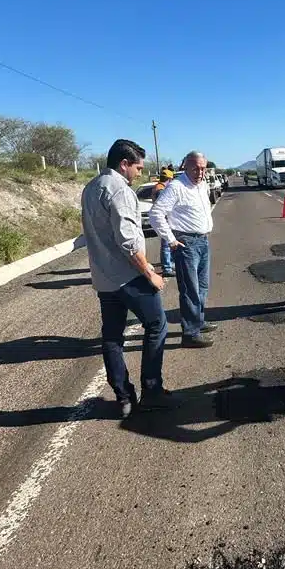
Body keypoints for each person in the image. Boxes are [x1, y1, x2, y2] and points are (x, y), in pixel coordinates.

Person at [81, 139, 175, 415]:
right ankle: (152, 389)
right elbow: (128, 242)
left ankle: (124, 398)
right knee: (157, 325)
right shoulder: (119, 191)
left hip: (103, 278)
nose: (139, 173)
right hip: (128, 276)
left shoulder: (91, 187)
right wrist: (150, 273)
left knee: (112, 338)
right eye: (138, 167)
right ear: (124, 164)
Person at [149, 150, 217, 348]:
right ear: (185, 167)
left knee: (202, 287)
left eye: (203, 168)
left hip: (203, 241)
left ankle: (199, 321)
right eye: (195, 168)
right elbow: (156, 214)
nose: (200, 172)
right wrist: (170, 239)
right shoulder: (177, 187)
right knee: (190, 290)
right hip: (186, 243)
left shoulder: (201, 185)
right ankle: (190, 333)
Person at [153, 168, 176, 277]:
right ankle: (167, 267)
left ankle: (169, 264)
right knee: (166, 244)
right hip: (165, 220)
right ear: (169, 179)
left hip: (164, 220)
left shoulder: (158, 187)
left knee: (167, 244)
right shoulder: (161, 190)